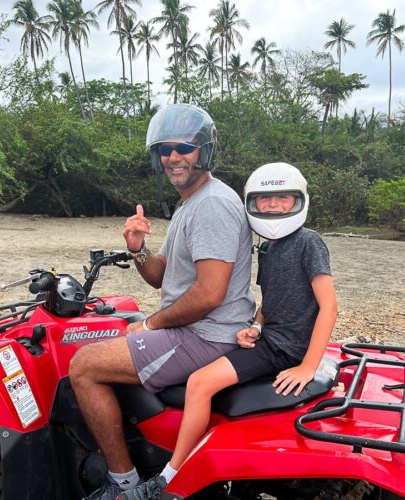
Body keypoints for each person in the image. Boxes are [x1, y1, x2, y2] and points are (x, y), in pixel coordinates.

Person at [69, 103, 256, 500]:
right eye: (165, 149)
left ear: (204, 151)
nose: (173, 157)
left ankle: (123, 484)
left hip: (207, 334)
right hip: (197, 328)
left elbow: (209, 294)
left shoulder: (213, 205)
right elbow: (160, 275)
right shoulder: (190, 203)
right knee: (119, 328)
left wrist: (153, 324)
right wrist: (137, 248)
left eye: (183, 148)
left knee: (83, 366)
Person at [119, 162, 338, 499]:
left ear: (300, 201)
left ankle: (170, 477)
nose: (274, 205)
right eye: (265, 199)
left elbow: (329, 306)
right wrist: (256, 326)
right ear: (252, 203)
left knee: (199, 383)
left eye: (284, 198)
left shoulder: (309, 242)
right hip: (269, 340)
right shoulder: (269, 247)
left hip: (284, 349)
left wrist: (308, 365)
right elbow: (270, 301)